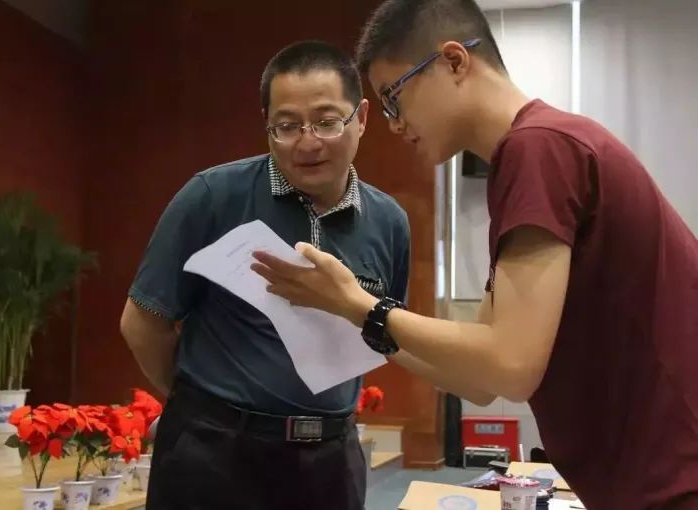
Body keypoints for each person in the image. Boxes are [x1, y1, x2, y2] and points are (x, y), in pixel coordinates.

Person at [250, 1, 698, 509]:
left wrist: (360, 304)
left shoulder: (539, 148)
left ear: (454, 61)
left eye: (394, 97)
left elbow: (511, 365)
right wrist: (357, 320)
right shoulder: (538, 150)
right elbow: (481, 380)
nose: (395, 124)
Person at [120, 40, 410, 510]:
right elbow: (142, 323)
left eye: (327, 121)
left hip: (330, 460)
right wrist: (201, 408)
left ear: (360, 118)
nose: (308, 142)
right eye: (287, 126)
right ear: (267, 125)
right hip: (214, 455)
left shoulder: (389, 222)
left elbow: (385, 335)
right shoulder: (212, 196)